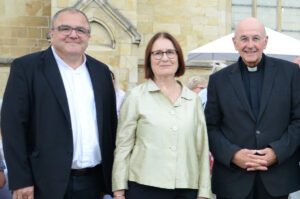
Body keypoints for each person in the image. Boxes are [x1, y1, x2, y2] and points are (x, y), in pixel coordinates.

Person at [1, 7, 117, 199]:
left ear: (88, 36)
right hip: (43, 184)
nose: (73, 35)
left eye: (80, 30)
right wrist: (21, 180)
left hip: (93, 182)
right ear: (51, 33)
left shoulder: (101, 72)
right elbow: (13, 127)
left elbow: (110, 126)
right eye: (65, 28)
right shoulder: (26, 69)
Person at [205, 17, 300, 199]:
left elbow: (298, 120)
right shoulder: (219, 81)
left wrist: (276, 152)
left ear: (266, 41)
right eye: (243, 39)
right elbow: (210, 127)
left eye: (256, 38)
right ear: (235, 43)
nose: (250, 45)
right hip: (232, 181)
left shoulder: (290, 74)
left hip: (277, 179)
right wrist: (233, 154)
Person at [112, 32, 211, 199]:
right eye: (157, 53)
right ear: (149, 59)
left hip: (186, 188)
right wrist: (119, 190)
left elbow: (201, 148)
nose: (164, 58)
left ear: (178, 57)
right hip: (144, 188)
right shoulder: (135, 96)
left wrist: (204, 192)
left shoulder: (193, 100)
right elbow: (123, 146)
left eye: (170, 52)